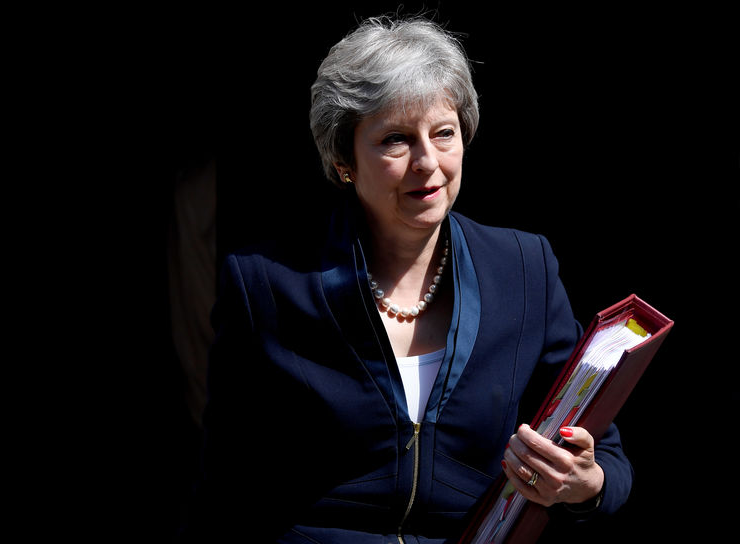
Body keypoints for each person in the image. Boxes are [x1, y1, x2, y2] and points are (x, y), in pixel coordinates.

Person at [180, 15, 632, 543]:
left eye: (444, 133)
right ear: (343, 159)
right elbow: (223, 485)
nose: (428, 162)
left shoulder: (525, 267)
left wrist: (584, 485)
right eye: (396, 140)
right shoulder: (266, 283)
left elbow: (609, 462)